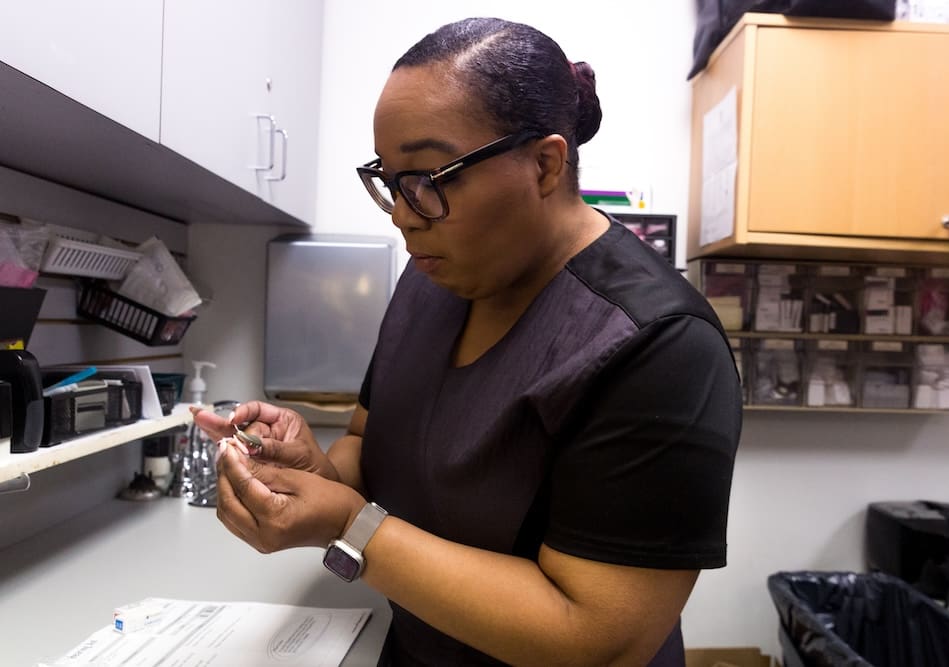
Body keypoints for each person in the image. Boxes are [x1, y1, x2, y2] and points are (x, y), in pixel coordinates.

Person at [194, 17, 742, 666]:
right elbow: (372, 444)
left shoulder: (659, 345)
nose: (402, 214)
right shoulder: (432, 277)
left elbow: (596, 635)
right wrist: (310, 470)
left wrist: (348, 525)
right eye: (390, 180)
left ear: (544, 164)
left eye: (429, 177)